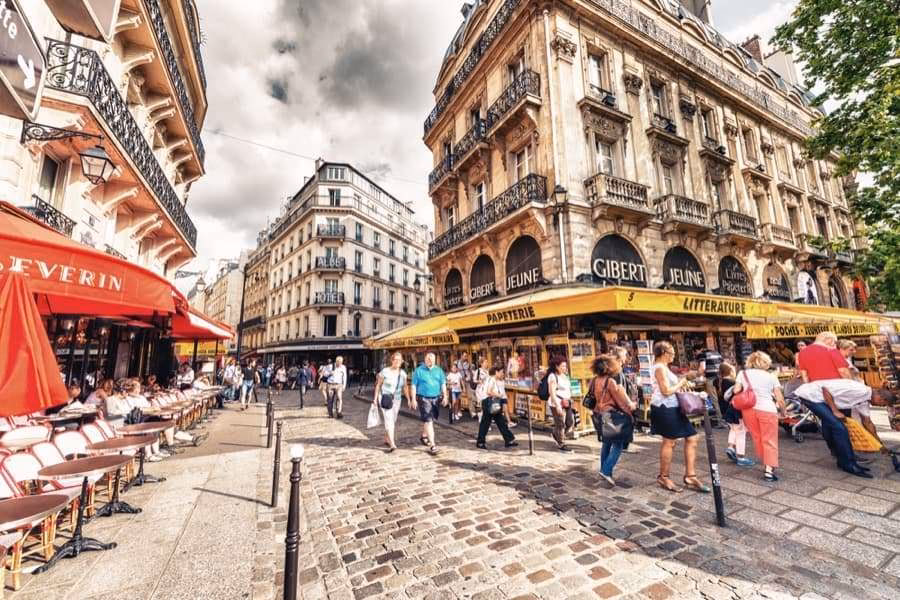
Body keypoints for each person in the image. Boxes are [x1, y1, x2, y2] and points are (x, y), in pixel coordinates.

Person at [650, 341, 709, 493]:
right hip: (665, 408)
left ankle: (690, 475)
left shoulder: (664, 368)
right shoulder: (659, 368)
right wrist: (682, 381)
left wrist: (681, 383)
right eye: (672, 353)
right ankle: (663, 476)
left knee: (692, 438)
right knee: (669, 442)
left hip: (673, 407)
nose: (674, 355)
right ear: (664, 352)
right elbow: (666, 391)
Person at [791, 380, 876, 478]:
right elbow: (825, 390)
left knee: (830, 424)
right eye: (882, 404)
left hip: (822, 399)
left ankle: (842, 460)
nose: (878, 405)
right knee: (839, 428)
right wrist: (835, 411)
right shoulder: (860, 390)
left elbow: (867, 421)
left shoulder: (865, 400)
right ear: (881, 398)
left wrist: (878, 444)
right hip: (811, 395)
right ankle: (849, 464)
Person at [730, 351, 786, 482]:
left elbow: (736, 391)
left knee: (757, 438)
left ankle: (765, 462)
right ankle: (769, 469)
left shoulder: (742, 374)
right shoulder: (771, 376)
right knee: (769, 439)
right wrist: (783, 411)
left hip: (749, 410)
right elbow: (779, 398)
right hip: (767, 409)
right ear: (766, 362)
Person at [590, 355, 634, 486]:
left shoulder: (594, 380)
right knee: (618, 444)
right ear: (610, 367)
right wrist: (630, 409)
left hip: (600, 414)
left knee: (606, 443)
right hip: (612, 415)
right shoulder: (610, 381)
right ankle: (606, 470)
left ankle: (604, 470)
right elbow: (620, 401)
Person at [714, 363, 752, 467]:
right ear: (730, 371)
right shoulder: (733, 382)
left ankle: (731, 447)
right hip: (736, 409)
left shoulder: (717, 381)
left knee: (733, 429)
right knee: (741, 432)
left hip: (726, 410)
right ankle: (741, 457)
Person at [410, 352, 448, 455]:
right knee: (429, 420)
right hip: (424, 399)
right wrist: (413, 399)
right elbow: (413, 386)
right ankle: (433, 445)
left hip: (436, 398)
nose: (429, 360)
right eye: (428, 358)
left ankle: (424, 436)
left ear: (435, 360)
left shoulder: (439, 370)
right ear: (425, 359)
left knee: (431, 419)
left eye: (431, 359)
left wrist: (445, 396)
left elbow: (443, 384)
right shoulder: (418, 371)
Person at [373, 352, 410, 452]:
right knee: (389, 420)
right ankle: (392, 444)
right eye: (395, 360)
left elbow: (405, 387)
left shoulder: (403, 374)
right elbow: (378, 385)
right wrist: (375, 398)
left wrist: (409, 399)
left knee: (393, 420)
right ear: (392, 360)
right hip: (385, 398)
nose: (397, 362)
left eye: (399, 360)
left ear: (402, 361)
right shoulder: (385, 371)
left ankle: (387, 437)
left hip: (397, 399)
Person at [475, 367, 517, 449]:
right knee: (485, 423)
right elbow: (489, 391)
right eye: (501, 372)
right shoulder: (492, 379)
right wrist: (499, 395)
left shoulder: (491, 379)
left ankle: (509, 439)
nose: (502, 374)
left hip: (492, 402)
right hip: (489, 402)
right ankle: (480, 442)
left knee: (500, 421)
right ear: (496, 372)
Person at [547, 356, 574, 452]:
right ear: (556, 366)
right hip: (557, 402)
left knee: (570, 422)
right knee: (560, 424)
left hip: (567, 402)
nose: (564, 368)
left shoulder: (565, 376)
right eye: (562, 366)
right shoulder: (552, 376)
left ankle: (556, 434)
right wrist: (557, 405)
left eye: (565, 366)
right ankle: (561, 443)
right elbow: (552, 392)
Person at [470, 356, 489, 421]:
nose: (487, 363)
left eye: (487, 362)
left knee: (486, 406)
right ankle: (481, 419)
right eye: (485, 362)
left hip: (487, 391)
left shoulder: (488, 371)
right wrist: (479, 381)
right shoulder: (478, 371)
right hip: (480, 391)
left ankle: (485, 419)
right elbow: (474, 380)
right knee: (481, 405)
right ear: (482, 363)